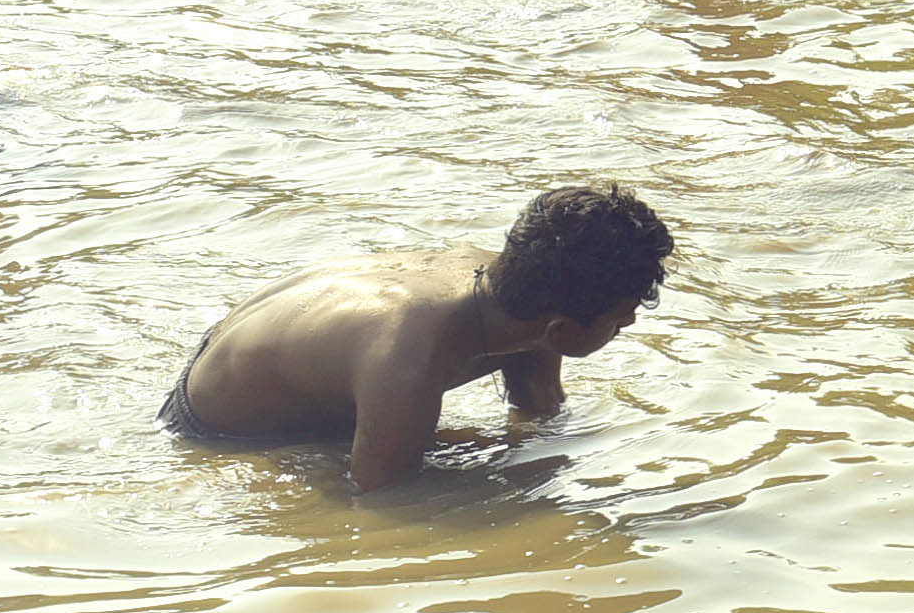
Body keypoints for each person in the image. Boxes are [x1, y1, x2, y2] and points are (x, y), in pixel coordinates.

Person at [163, 182, 673, 491]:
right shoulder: (408, 361)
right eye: (622, 316)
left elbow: (539, 413)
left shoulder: (516, 288)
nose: (627, 326)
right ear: (562, 329)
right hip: (220, 429)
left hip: (279, 363)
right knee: (428, 492)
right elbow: (381, 500)